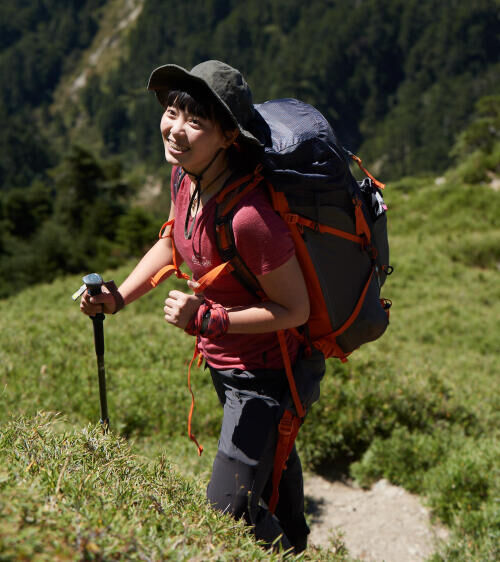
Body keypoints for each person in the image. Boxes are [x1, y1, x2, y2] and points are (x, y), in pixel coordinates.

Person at [80, 60, 325, 553]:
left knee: (224, 515)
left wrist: (213, 318)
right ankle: (296, 545)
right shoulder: (186, 178)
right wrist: (118, 298)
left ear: (229, 136)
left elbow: (294, 309)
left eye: (197, 123)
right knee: (275, 463)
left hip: (265, 375)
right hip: (227, 365)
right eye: (173, 111)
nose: (177, 130)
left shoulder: (250, 218)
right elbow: (173, 243)